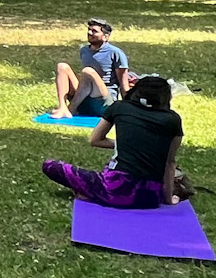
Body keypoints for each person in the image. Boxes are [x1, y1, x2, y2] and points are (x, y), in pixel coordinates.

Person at [41, 74, 184, 208]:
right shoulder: (173, 119)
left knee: (50, 165)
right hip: (151, 197)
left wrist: (124, 144)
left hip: (116, 189)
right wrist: (168, 199)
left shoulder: (119, 107)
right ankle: (93, 193)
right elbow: (169, 162)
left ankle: (92, 193)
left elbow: (94, 140)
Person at [51, 18, 133, 119]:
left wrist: (129, 110)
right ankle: (63, 108)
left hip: (104, 101)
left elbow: (124, 85)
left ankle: (71, 109)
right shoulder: (84, 50)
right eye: (89, 30)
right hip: (84, 97)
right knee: (62, 66)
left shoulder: (116, 53)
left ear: (105, 37)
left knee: (88, 71)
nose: (90, 33)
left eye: (94, 31)